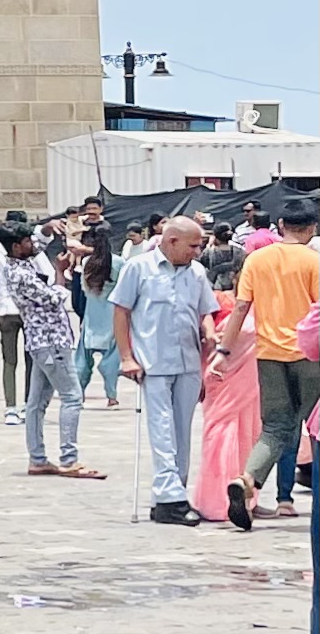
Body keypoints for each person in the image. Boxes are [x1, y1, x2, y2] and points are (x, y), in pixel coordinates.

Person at [113, 214, 218, 527]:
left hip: (188, 361)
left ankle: (172, 496)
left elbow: (205, 311)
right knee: (161, 430)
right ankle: (170, 496)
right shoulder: (138, 268)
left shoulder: (196, 272)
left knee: (182, 431)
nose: (197, 252)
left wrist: (210, 332)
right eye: (193, 246)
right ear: (172, 241)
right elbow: (121, 311)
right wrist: (126, 357)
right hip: (153, 363)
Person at [228, 193, 320, 514]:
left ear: (281, 225)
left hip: (268, 355)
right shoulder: (314, 262)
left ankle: (247, 478)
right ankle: (296, 499)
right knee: (315, 429)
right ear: (312, 228)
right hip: (310, 357)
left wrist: (224, 349)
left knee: (275, 428)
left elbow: (240, 307)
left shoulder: (256, 260)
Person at [193, 251, 267, 531]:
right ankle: (219, 500)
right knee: (225, 434)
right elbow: (204, 337)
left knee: (246, 433)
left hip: (247, 381)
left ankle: (243, 496)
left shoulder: (262, 306)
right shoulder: (222, 303)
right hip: (224, 377)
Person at [15, 240, 98, 480]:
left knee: (37, 402)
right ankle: (69, 459)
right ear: (16, 246)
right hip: (52, 341)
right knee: (72, 397)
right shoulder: (22, 274)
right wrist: (60, 273)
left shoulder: (22, 267)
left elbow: (40, 243)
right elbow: (55, 298)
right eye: (27, 241)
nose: (33, 245)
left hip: (41, 342)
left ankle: (38, 458)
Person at [0, 211, 32, 418]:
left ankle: (11, 406)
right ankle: (27, 403)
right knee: (29, 360)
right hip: (24, 308)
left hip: (6, 307)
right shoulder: (22, 250)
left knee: (10, 361)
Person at [75, 245, 122, 415]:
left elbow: (83, 290)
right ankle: (112, 397)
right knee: (111, 361)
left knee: (82, 359)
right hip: (112, 316)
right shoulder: (120, 262)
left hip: (91, 316)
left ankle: (79, 395)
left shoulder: (86, 262)